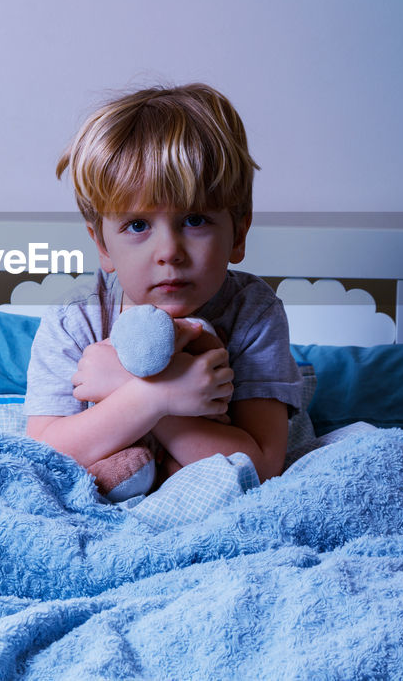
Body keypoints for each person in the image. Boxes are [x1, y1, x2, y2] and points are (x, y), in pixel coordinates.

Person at [24, 83, 303, 491]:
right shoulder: (76, 321)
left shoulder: (253, 313)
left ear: (239, 233)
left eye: (195, 220)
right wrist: (153, 398)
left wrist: (143, 393)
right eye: (137, 225)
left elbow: (261, 466)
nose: (169, 252)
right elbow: (45, 454)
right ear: (102, 245)